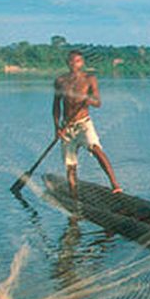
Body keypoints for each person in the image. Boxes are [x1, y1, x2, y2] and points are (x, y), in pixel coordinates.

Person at [52, 49, 121, 196]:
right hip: (66, 128)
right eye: (71, 61)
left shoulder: (89, 79)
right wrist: (57, 128)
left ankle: (115, 185)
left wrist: (88, 100)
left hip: (83, 124)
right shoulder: (60, 81)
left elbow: (98, 103)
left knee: (96, 149)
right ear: (67, 63)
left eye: (77, 61)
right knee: (70, 165)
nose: (74, 64)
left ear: (82, 63)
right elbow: (56, 106)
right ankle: (74, 196)